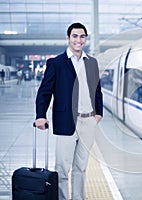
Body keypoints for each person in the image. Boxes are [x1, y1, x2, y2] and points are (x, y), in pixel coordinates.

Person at [35, 22, 103, 200]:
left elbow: (97, 90)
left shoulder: (92, 63)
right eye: (75, 36)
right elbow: (44, 91)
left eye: (82, 36)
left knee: (81, 168)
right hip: (66, 121)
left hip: (88, 121)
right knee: (63, 169)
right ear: (68, 38)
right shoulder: (56, 63)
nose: (78, 40)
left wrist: (98, 113)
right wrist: (40, 116)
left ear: (85, 39)